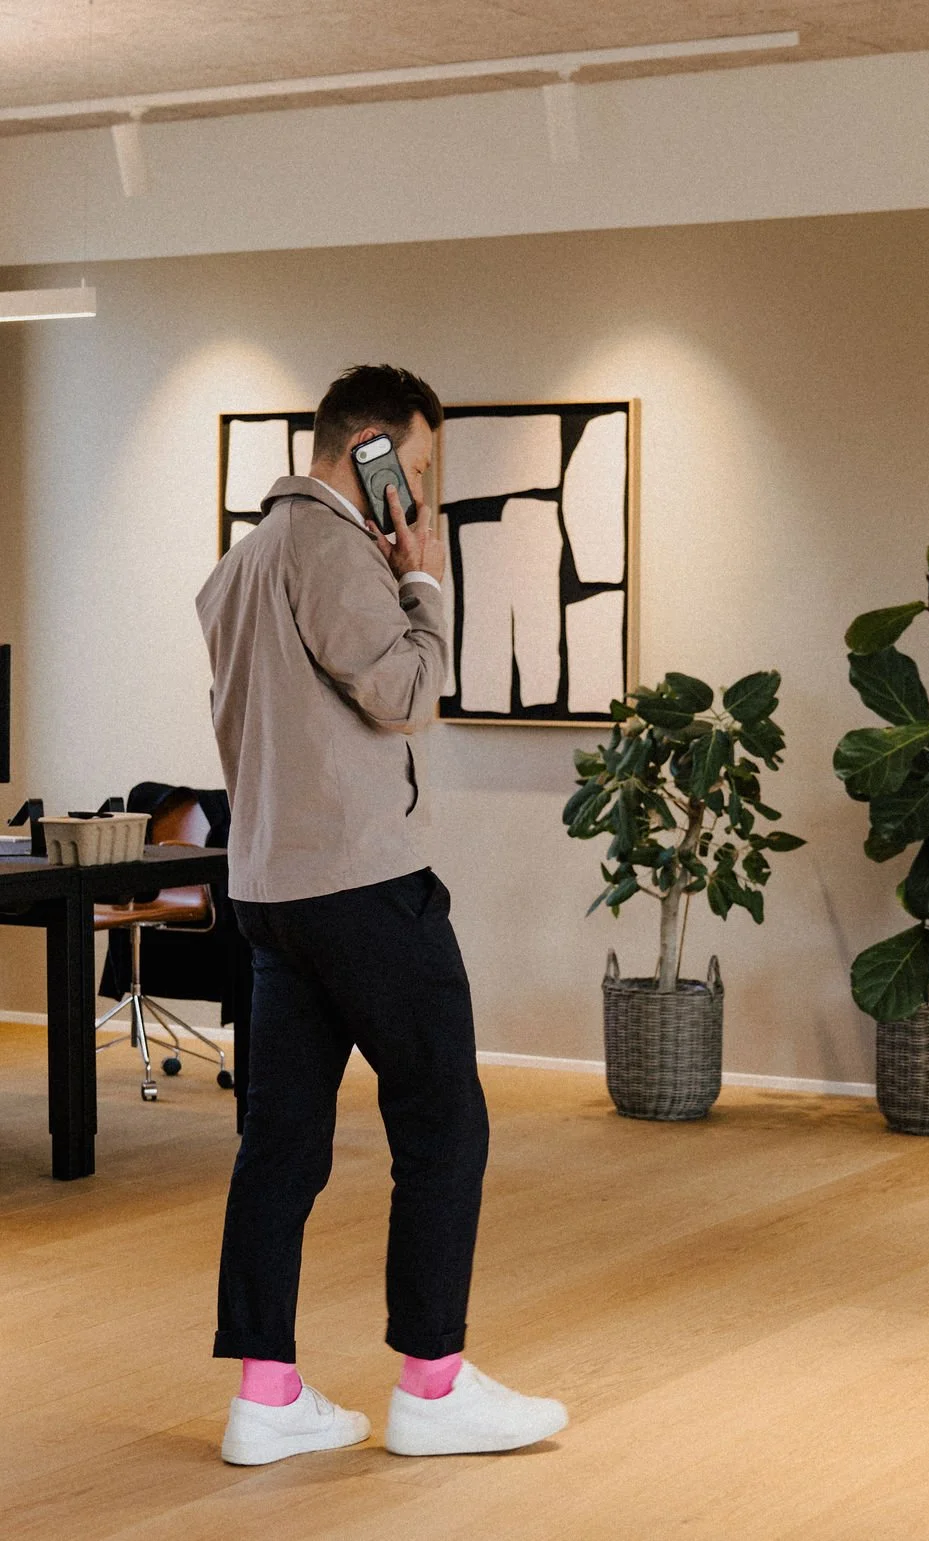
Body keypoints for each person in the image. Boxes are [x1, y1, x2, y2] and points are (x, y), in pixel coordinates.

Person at [195, 364, 567, 1465]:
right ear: (363, 447)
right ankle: (433, 1383)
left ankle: (267, 1392)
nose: (414, 490)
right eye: (411, 468)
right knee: (443, 1117)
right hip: (360, 885)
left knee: (281, 1142)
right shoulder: (329, 549)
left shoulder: (239, 563)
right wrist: (426, 580)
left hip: (266, 890)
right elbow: (406, 695)